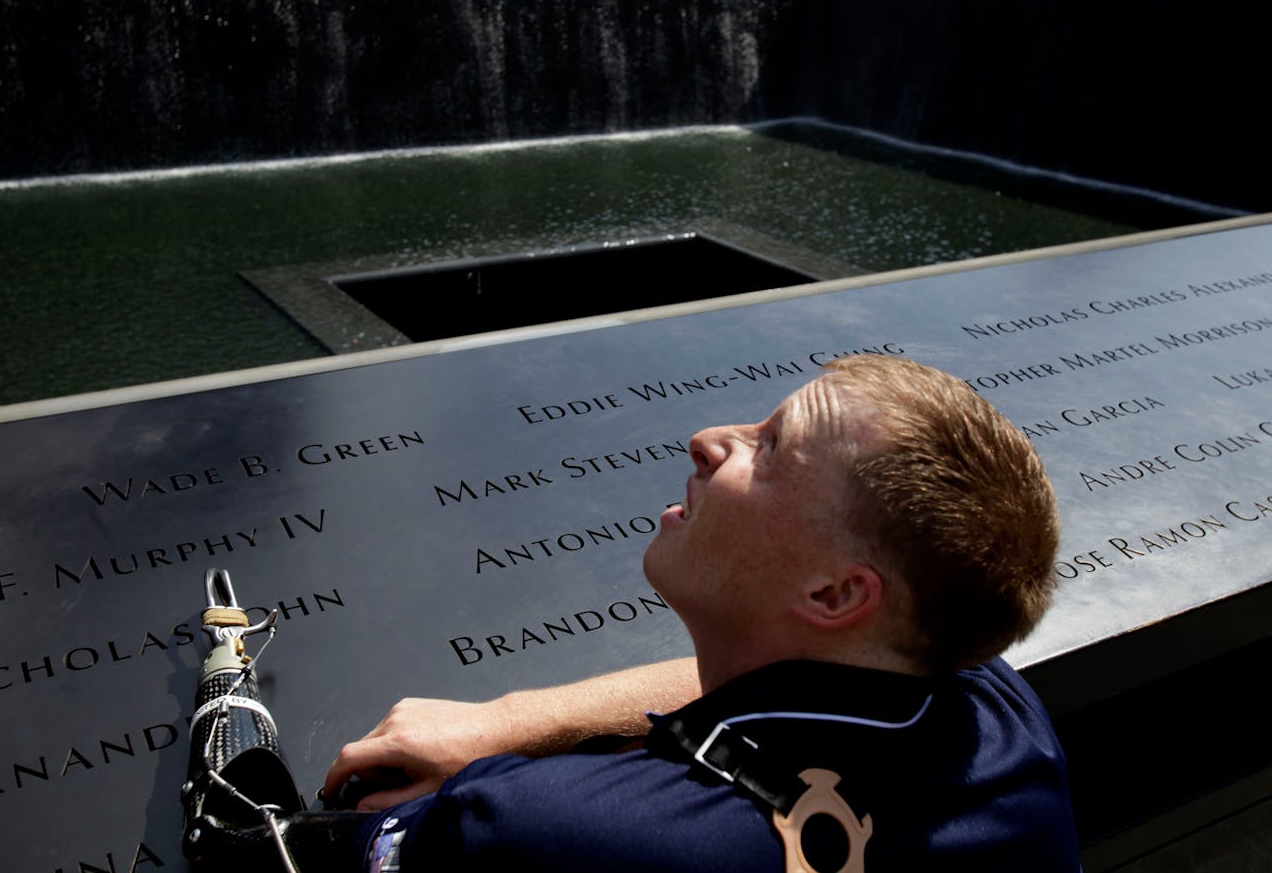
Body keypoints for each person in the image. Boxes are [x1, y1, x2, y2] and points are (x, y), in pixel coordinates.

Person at [325, 355, 1080, 872]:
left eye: (771, 449)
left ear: (835, 595)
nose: (711, 439)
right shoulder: (994, 709)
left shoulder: (546, 831)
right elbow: (790, 677)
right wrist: (515, 717)